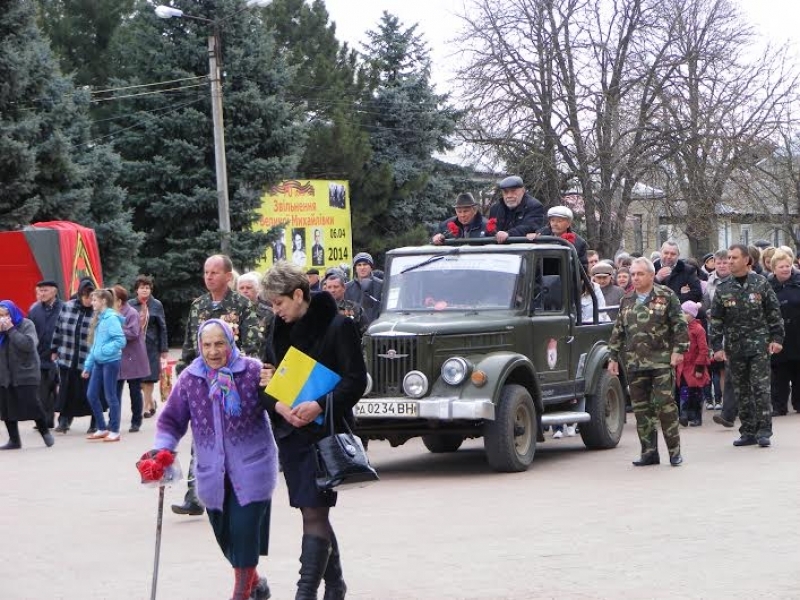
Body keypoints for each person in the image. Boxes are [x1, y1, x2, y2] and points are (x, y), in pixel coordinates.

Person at [260, 262, 367, 600]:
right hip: (290, 435)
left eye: (279, 303)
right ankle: (335, 585)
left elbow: (356, 381)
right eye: (272, 306)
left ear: (298, 294)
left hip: (324, 434)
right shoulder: (276, 329)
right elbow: (264, 384)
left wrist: (319, 404)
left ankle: (305, 592)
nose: (276, 311)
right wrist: (278, 405)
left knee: (314, 511)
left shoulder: (339, 326)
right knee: (310, 509)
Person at [152, 319, 278, 600]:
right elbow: (171, 421)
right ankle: (256, 584)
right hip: (212, 473)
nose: (213, 351)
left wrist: (277, 384)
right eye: (207, 345)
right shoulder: (190, 379)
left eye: (219, 343)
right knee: (227, 538)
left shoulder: (252, 371)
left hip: (253, 468)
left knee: (245, 533)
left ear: (230, 342)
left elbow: (280, 405)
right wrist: (162, 450)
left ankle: (241, 594)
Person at [173, 254, 261, 516]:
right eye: (206, 272)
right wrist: (182, 375)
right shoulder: (198, 306)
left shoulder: (242, 306)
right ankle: (195, 495)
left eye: (214, 272)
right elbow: (190, 345)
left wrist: (235, 373)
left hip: (233, 383)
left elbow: (252, 345)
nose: (208, 277)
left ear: (227, 276)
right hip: (203, 383)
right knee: (201, 437)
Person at [607, 257, 688, 466]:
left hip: (661, 361)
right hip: (635, 363)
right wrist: (613, 356)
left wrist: (679, 351)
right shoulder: (627, 299)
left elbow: (679, 325)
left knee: (665, 406)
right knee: (641, 410)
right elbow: (618, 330)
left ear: (651, 275)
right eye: (633, 274)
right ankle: (649, 452)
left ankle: (674, 451)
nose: (635, 278)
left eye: (640, 274)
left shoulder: (666, 296)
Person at [709, 244, 784, 448]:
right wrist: (717, 347)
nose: (730, 261)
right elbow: (715, 319)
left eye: (734, 258)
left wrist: (777, 338)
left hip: (760, 346)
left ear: (747, 260)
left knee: (760, 388)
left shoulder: (761, 283)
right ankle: (748, 431)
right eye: (728, 258)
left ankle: (764, 431)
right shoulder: (723, 288)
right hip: (735, 348)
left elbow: (773, 312)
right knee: (742, 391)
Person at [0, 300, 55, 450]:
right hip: (4, 375)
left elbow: (29, 345)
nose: (4, 318)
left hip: (26, 373)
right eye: (1, 315)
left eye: (7, 314)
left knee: (32, 404)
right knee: (6, 408)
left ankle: (45, 432)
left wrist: (11, 330)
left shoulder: (26, 324)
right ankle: (14, 440)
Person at [51, 277, 97, 434]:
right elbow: (58, 328)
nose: (89, 300)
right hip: (67, 357)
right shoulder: (68, 307)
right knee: (66, 392)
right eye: (86, 297)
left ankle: (95, 422)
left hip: (88, 360)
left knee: (90, 392)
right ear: (80, 295)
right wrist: (54, 349)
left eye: (92, 297)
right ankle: (63, 421)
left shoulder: (98, 311)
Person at [83, 288, 127, 442]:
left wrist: (104, 351)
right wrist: (88, 366)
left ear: (103, 301)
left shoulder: (111, 319)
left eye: (94, 300)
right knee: (91, 394)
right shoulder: (100, 318)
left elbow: (120, 341)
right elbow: (94, 346)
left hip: (111, 362)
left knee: (110, 396)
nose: (91, 302)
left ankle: (114, 430)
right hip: (98, 362)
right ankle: (101, 428)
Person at [128, 275, 169, 419]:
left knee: (149, 378)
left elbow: (162, 328)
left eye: (147, 288)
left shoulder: (156, 305)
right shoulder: (130, 305)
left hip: (151, 346)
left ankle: (145, 408)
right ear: (136, 290)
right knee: (137, 380)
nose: (145, 290)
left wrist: (164, 350)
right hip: (133, 347)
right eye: (142, 288)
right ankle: (151, 402)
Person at [112, 285, 150, 433]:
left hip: (133, 357)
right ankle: (113, 421)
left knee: (134, 391)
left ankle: (136, 421)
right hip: (117, 357)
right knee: (114, 392)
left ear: (119, 300)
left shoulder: (131, 312)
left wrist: (115, 330)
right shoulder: (110, 313)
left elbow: (133, 333)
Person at [767, 250, 800, 416]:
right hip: (777, 335)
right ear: (774, 269)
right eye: (782, 267)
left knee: (798, 370)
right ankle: (779, 406)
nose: (786, 269)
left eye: (788, 266)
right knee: (779, 372)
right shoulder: (767, 286)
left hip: (797, 334)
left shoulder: (799, 282)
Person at [28, 280, 63, 429]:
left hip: (60, 356)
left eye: (45, 290)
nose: (42, 293)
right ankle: (47, 420)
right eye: (40, 291)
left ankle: (63, 418)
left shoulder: (64, 308)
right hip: (41, 356)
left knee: (60, 388)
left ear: (54, 291)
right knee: (43, 390)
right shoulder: (34, 310)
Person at [676, 301, 710, 427]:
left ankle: (697, 416)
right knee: (684, 390)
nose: (682, 315)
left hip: (695, 366)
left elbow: (703, 349)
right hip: (683, 366)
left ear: (691, 315)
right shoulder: (681, 328)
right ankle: (684, 414)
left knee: (696, 392)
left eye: (685, 313)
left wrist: (700, 367)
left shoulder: (698, 329)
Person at [528, 206, 588, 270]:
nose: (555, 224)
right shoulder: (540, 237)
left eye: (559, 221)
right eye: (552, 220)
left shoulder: (579, 243)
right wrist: (530, 239)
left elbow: (582, 269)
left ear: (568, 223)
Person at [489, 176, 545, 242]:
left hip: (523, 248)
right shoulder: (496, 208)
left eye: (513, 191)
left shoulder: (534, 206)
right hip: (498, 248)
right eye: (506, 192)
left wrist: (508, 234)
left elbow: (530, 226)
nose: (509, 195)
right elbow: (490, 228)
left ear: (523, 190)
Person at [324, 270, 368, 334]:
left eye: (336, 287)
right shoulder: (319, 308)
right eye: (329, 287)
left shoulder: (355, 308)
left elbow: (365, 332)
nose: (332, 290)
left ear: (344, 288)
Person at [344, 252, 383, 325]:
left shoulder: (381, 285)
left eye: (365, 264)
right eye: (359, 265)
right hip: (355, 330)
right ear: (355, 268)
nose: (362, 268)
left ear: (371, 267)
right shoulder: (347, 287)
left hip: (376, 328)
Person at [238, 271, 276, 343]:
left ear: (258, 290)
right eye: (241, 288)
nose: (245, 291)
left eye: (249, 288)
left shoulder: (269, 313)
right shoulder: (231, 313)